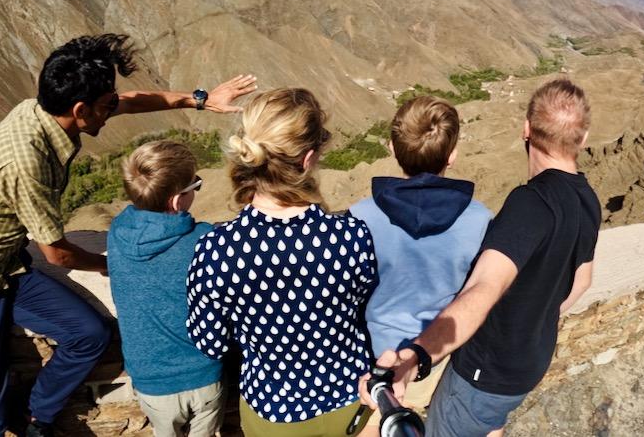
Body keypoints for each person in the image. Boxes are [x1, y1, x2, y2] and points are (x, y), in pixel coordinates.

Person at [0, 33, 256, 437]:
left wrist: (199, 100)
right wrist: (111, 263)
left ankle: (35, 418)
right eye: (106, 105)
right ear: (81, 110)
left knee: (89, 335)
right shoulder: (26, 162)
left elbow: (131, 101)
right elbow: (57, 254)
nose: (114, 109)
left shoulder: (43, 111)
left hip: (7, 268)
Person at [365, 78, 600, 437]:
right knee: (490, 421)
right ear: (583, 139)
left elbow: (484, 288)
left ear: (526, 129)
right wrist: (532, 317)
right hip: (531, 362)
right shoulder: (588, 199)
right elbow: (582, 281)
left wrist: (415, 358)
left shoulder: (529, 203)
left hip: (486, 371)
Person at [186, 88, 378, 437]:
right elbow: (362, 308)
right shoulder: (351, 235)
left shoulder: (216, 249)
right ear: (308, 160)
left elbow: (210, 343)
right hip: (349, 401)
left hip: (272, 411)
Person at [348, 96, 490, 419]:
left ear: (392, 148)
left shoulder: (359, 217)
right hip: (436, 358)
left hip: (372, 357)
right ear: (452, 155)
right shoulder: (480, 220)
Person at [108, 140, 224, 437]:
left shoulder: (117, 233)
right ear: (176, 201)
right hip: (202, 374)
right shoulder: (205, 241)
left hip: (150, 382)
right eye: (196, 185)